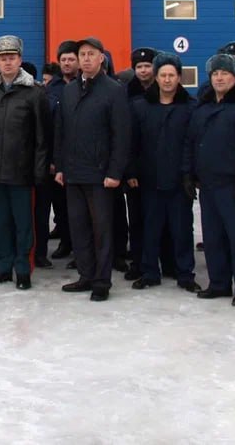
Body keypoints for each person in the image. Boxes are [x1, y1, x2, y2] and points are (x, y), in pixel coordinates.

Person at [184, 53, 235, 307]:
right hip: (208, 184)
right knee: (213, 238)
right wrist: (188, 174)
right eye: (215, 74)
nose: (219, 78)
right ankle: (219, 283)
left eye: (225, 74)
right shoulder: (203, 107)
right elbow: (190, 142)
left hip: (234, 185)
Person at [55, 37, 131, 301]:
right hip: (73, 172)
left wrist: (115, 172)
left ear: (101, 58)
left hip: (101, 175)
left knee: (102, 230)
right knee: (79, 228)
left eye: (91, 54)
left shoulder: (114, 90)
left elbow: (121, 135)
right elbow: (61, 131)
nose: (86, 59)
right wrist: (60, 166)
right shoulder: (69, 90)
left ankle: (101, 281)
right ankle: (86, 275)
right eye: (82, 55)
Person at [0, 36, 49, 290]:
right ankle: (2, 268)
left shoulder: (34, 92)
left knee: (23, 225)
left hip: (22, 172)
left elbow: (42, 136)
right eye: (3, 58)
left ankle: (23, 269)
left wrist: (39, 170)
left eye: (12, 58)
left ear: (20, 60)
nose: (7, 62)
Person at [128, 53, 200, 293]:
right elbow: (132, 143)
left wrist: (192, 175)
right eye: (163, 75)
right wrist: (131, 171)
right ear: (156, 78)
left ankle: (185, 274)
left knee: (182, 229)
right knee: (150, 227)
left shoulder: (191, 108)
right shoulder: (140, 106)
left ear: (179, 77)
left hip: (180, 180)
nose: (167, 80)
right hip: (149, 179)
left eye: (172, 75)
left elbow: (195, 144)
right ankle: (150, 272)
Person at [118, 47, 157, 281]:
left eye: (147, 66)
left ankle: (162, 260)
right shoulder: (126, 93)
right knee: (136, 218)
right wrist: (129, 169)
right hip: (135, 168)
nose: (143, 70)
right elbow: (125, 136)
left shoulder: (163, 91)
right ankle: (138, 261)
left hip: (157, 166)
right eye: (139, 67)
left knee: (157, 218)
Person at [44, 40, 80, 263]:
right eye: (63, 59)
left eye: (71, 59)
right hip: (56, 156)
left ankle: (80, 249)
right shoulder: (52, 88)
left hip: (79, 156)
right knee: (60, 205)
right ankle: (65, 243)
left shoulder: (84, 85)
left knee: (79, 208)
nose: (67, 63)